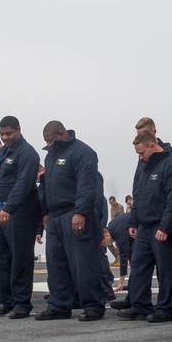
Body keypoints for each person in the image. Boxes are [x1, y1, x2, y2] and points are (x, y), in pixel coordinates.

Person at [35, 120, 105, 322]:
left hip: (75, 213)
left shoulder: (83, 152)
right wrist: (46, 211)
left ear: (62, 133)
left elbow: (87, 184)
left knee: (83, 262)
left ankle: (93, 305)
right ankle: (59, 305)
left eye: (51, 140)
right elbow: (46, 185)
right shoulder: (50, 156)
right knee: (56, 264)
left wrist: (81, 212)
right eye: (46, 142)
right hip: (55, 216)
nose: (49, 144)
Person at [118, 131, 172, 322]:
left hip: (162, 226)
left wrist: (166, 227)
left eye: (142, 153)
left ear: (152, 145)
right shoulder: (144, 166)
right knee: (139, 266)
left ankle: (165, 309)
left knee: (166, 269)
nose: (140, 157)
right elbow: (138, 195)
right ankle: (140, 306)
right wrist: (133, 220)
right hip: (144, 226)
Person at [0, 116, 42, 318]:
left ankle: (21, 303)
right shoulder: (3, 153)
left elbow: (24, 183)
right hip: (2, 210)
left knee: (20, 258)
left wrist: (9, 207)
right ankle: (5, 300)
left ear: (18, 130)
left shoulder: (27, 153)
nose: (6, 137)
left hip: (21, 211)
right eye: (2, 134)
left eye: (9, 133)